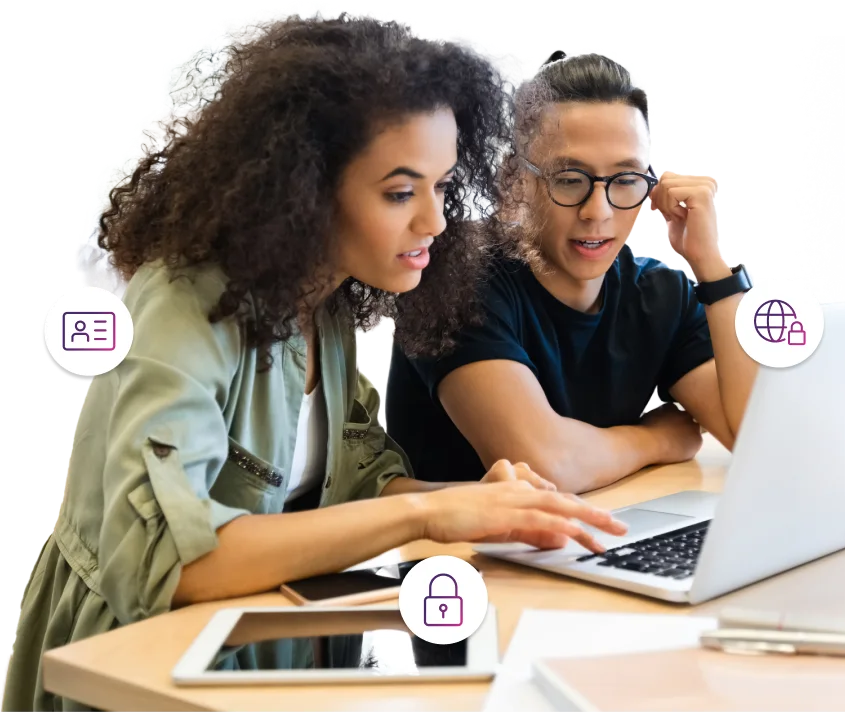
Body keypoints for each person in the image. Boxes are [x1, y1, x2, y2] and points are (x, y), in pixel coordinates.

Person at [5, 15, 626, 712]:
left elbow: (356, 481)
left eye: (443, 186)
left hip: (262, 644)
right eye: (400, 192)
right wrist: (433, 513)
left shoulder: (323, 301)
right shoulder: (182, 304)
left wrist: (482, 507)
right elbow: (173, 561)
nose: (436, 221)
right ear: (302, 188)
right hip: (133, 665)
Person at [385, 50, 760, 493]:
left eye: (625, 180)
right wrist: (657, 438)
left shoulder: (660, 294)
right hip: (462, 558)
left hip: (597, 536)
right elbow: (545, 466)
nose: (596, 211)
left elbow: (760, 439)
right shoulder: (453, 280)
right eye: (568, 179)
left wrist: (712, 268)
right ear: (513, 180)